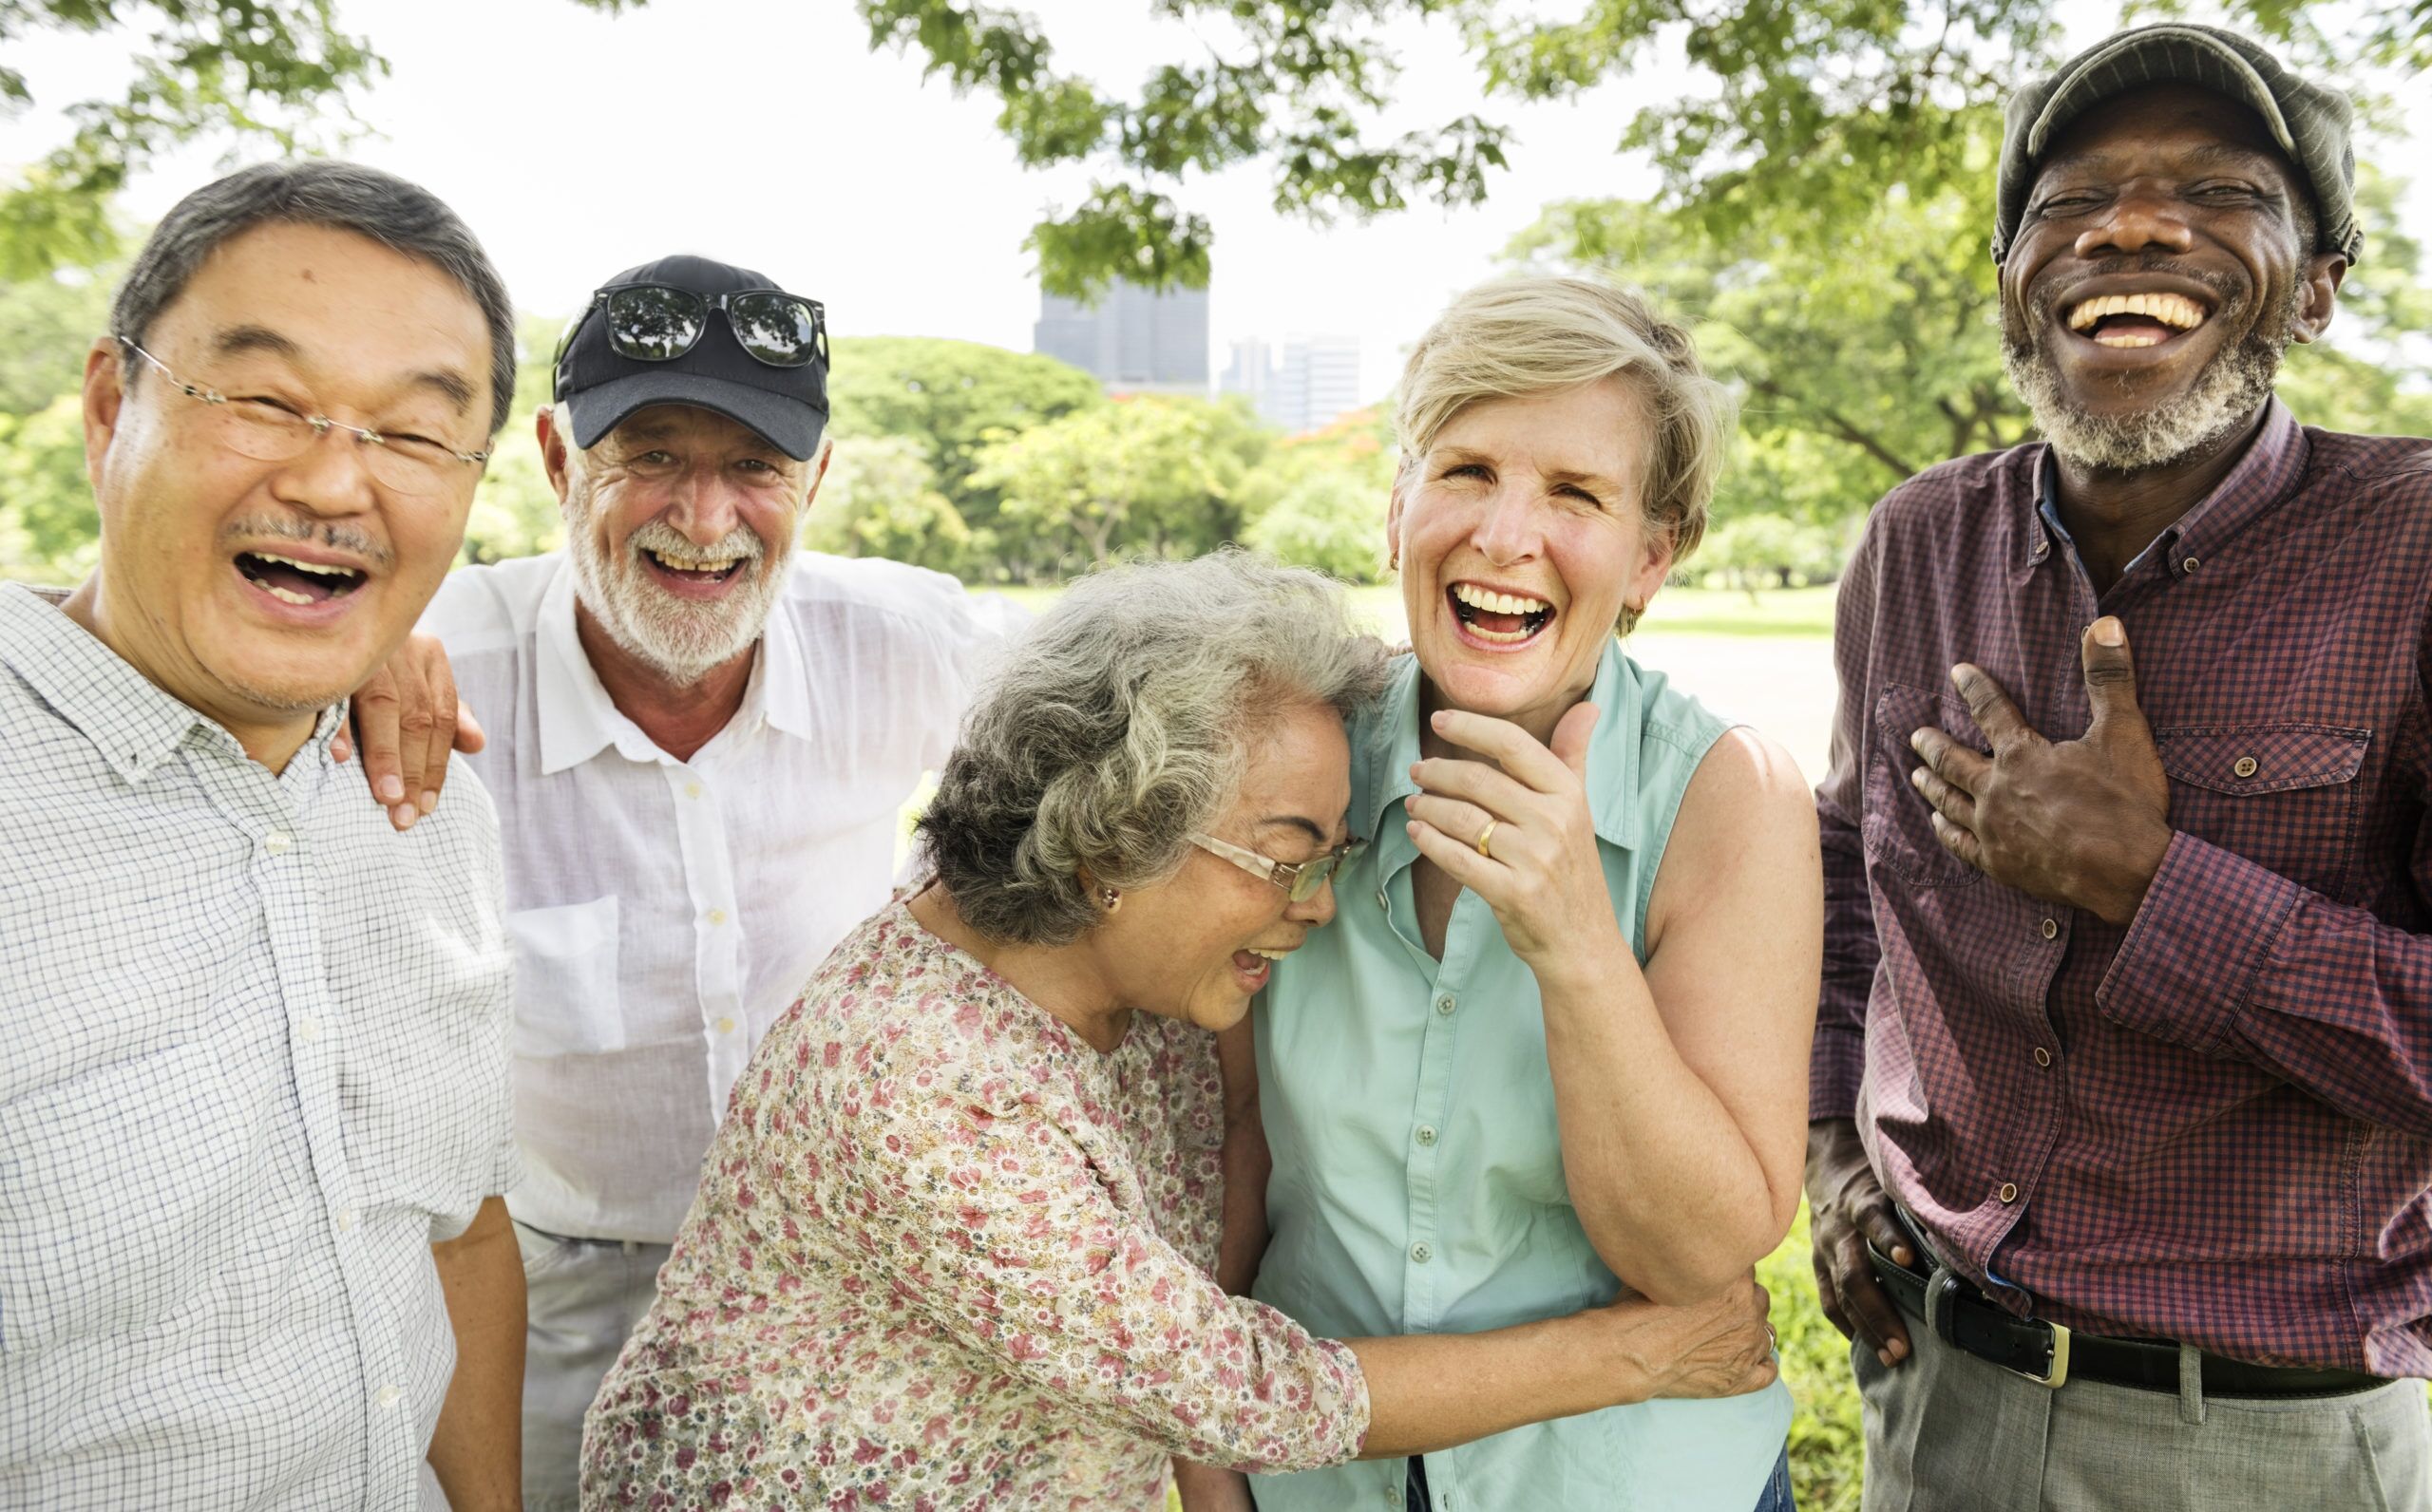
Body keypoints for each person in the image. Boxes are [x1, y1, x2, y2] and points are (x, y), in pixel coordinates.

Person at [580, 552, 1782, 1511]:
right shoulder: (922, 1083)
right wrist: (1644, 1353)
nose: (1315, 906)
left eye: (1333, 856)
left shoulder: (1124, 981)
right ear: (1113, 838)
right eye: (1283, 857)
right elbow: (1244, 1385)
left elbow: (1216, 1196)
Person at [1803, 23, 2432, 1510]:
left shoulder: (2415, 553)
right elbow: (1842, 880)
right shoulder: (1916, 543)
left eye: (2219, 194)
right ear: (2014, 285)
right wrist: (1831, 1153)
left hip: (2274, 1440)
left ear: (2322, 287)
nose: (2132, 225)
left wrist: (2150, 888)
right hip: (1933, 1391)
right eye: (2070, 200)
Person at [344, 254, 1013, 1511]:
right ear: (554, 460)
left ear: (814, 478)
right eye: (650, 456)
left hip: (846, 1282)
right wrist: (352, 645)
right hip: (552, 1297)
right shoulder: (437, 674)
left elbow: (1155, 701)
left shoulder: (906, 642)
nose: (704, 519)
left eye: (753, 467)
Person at [1238, 276, 1821, 1512]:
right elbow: (1222, 1155)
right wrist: (1214, 1473)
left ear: (1653, 555)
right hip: (1318, 1479)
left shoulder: (1730, 800)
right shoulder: (1290, 758)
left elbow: (1695, 1254)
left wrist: (1574, 942)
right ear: (1398, 512)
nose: (1506, 536)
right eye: (1467, 472)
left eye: (1575, 495)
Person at [0, 161, 522, 1509]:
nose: (337, 481)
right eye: (269, 402)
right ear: (112, 406)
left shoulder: (427, 798)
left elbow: (458, 1232)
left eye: (412, 434)